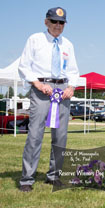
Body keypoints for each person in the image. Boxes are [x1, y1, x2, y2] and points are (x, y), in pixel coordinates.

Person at [18, 7, 79, 192]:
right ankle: (27, 179)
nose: (58, 26)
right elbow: (24, 66)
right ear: (46, 22)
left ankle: (54, 176)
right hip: (41, 89)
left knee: (60, 137)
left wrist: (71, 87)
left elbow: (74, 71)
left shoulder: (68, 44)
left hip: (62, 91)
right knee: (35, 135)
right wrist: (37, 84)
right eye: (54, 21)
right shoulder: (34, 39)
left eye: (61, 23)